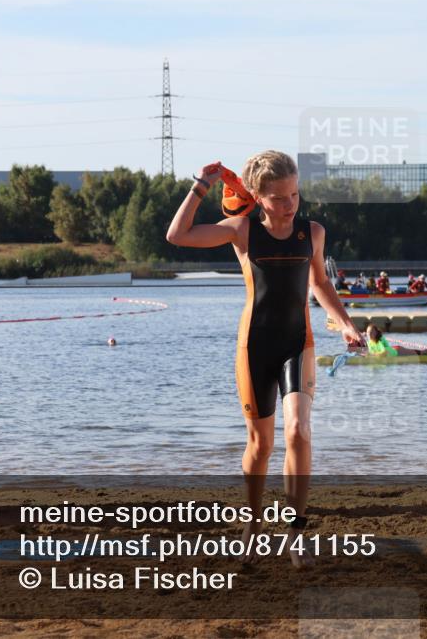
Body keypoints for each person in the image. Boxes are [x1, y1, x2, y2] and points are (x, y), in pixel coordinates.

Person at [166, 151, 363, 567]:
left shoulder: (313, 232)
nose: (289, 204)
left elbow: (321, 283)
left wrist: (345, 323)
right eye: (277, 198)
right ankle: (253, 524)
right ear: (257, 196)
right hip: (254, 346)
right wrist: (202, 185)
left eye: (294, 194)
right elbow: (177, 236)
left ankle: (295, 533)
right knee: (261, 444)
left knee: (298, 431)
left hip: (298, 343)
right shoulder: (242, 231)